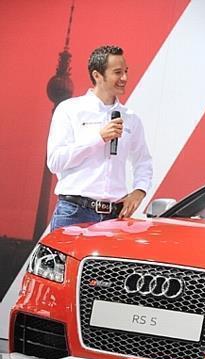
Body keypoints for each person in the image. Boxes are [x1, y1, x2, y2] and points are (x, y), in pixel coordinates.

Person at [47, 44, 152, 231]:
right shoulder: (70, 109)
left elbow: (143, 161)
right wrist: (98, 138)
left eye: (125, 71)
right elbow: (55, 161)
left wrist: (139, 191)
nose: (124, 78)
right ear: (97, 75)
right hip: (74, 213)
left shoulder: (131, 118)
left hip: (115, 217)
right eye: (117, 72)